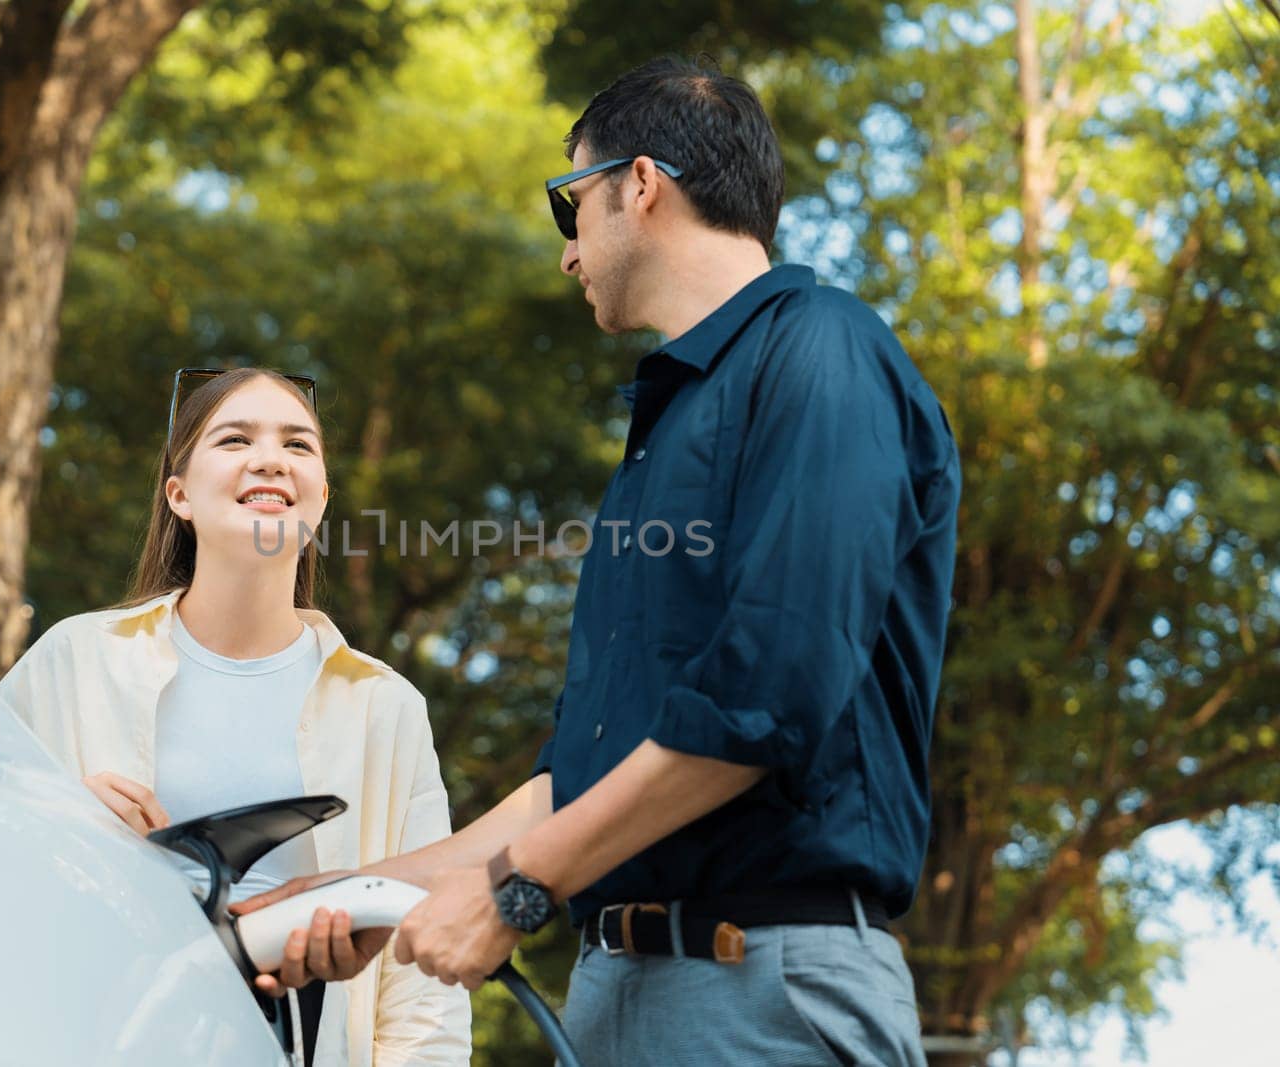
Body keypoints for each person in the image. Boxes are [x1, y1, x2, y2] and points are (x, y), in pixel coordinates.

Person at [236, 57, 961, 1065]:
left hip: (760, 993)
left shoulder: (824, 350)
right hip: (618, 993)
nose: (568, 254)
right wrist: (359, 898)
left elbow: (766, 696)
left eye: (568, 206)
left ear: (642, 183)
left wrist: (517, 886)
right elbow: (583, 780)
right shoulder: (664, 442)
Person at [0, 367, 470, 1066]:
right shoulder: (73, 659)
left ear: (322, 498)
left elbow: (419, 965)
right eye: (235, 438)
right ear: (180, 495)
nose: (272, 458)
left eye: (298, 445)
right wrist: (58, 819)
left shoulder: (385, 705)